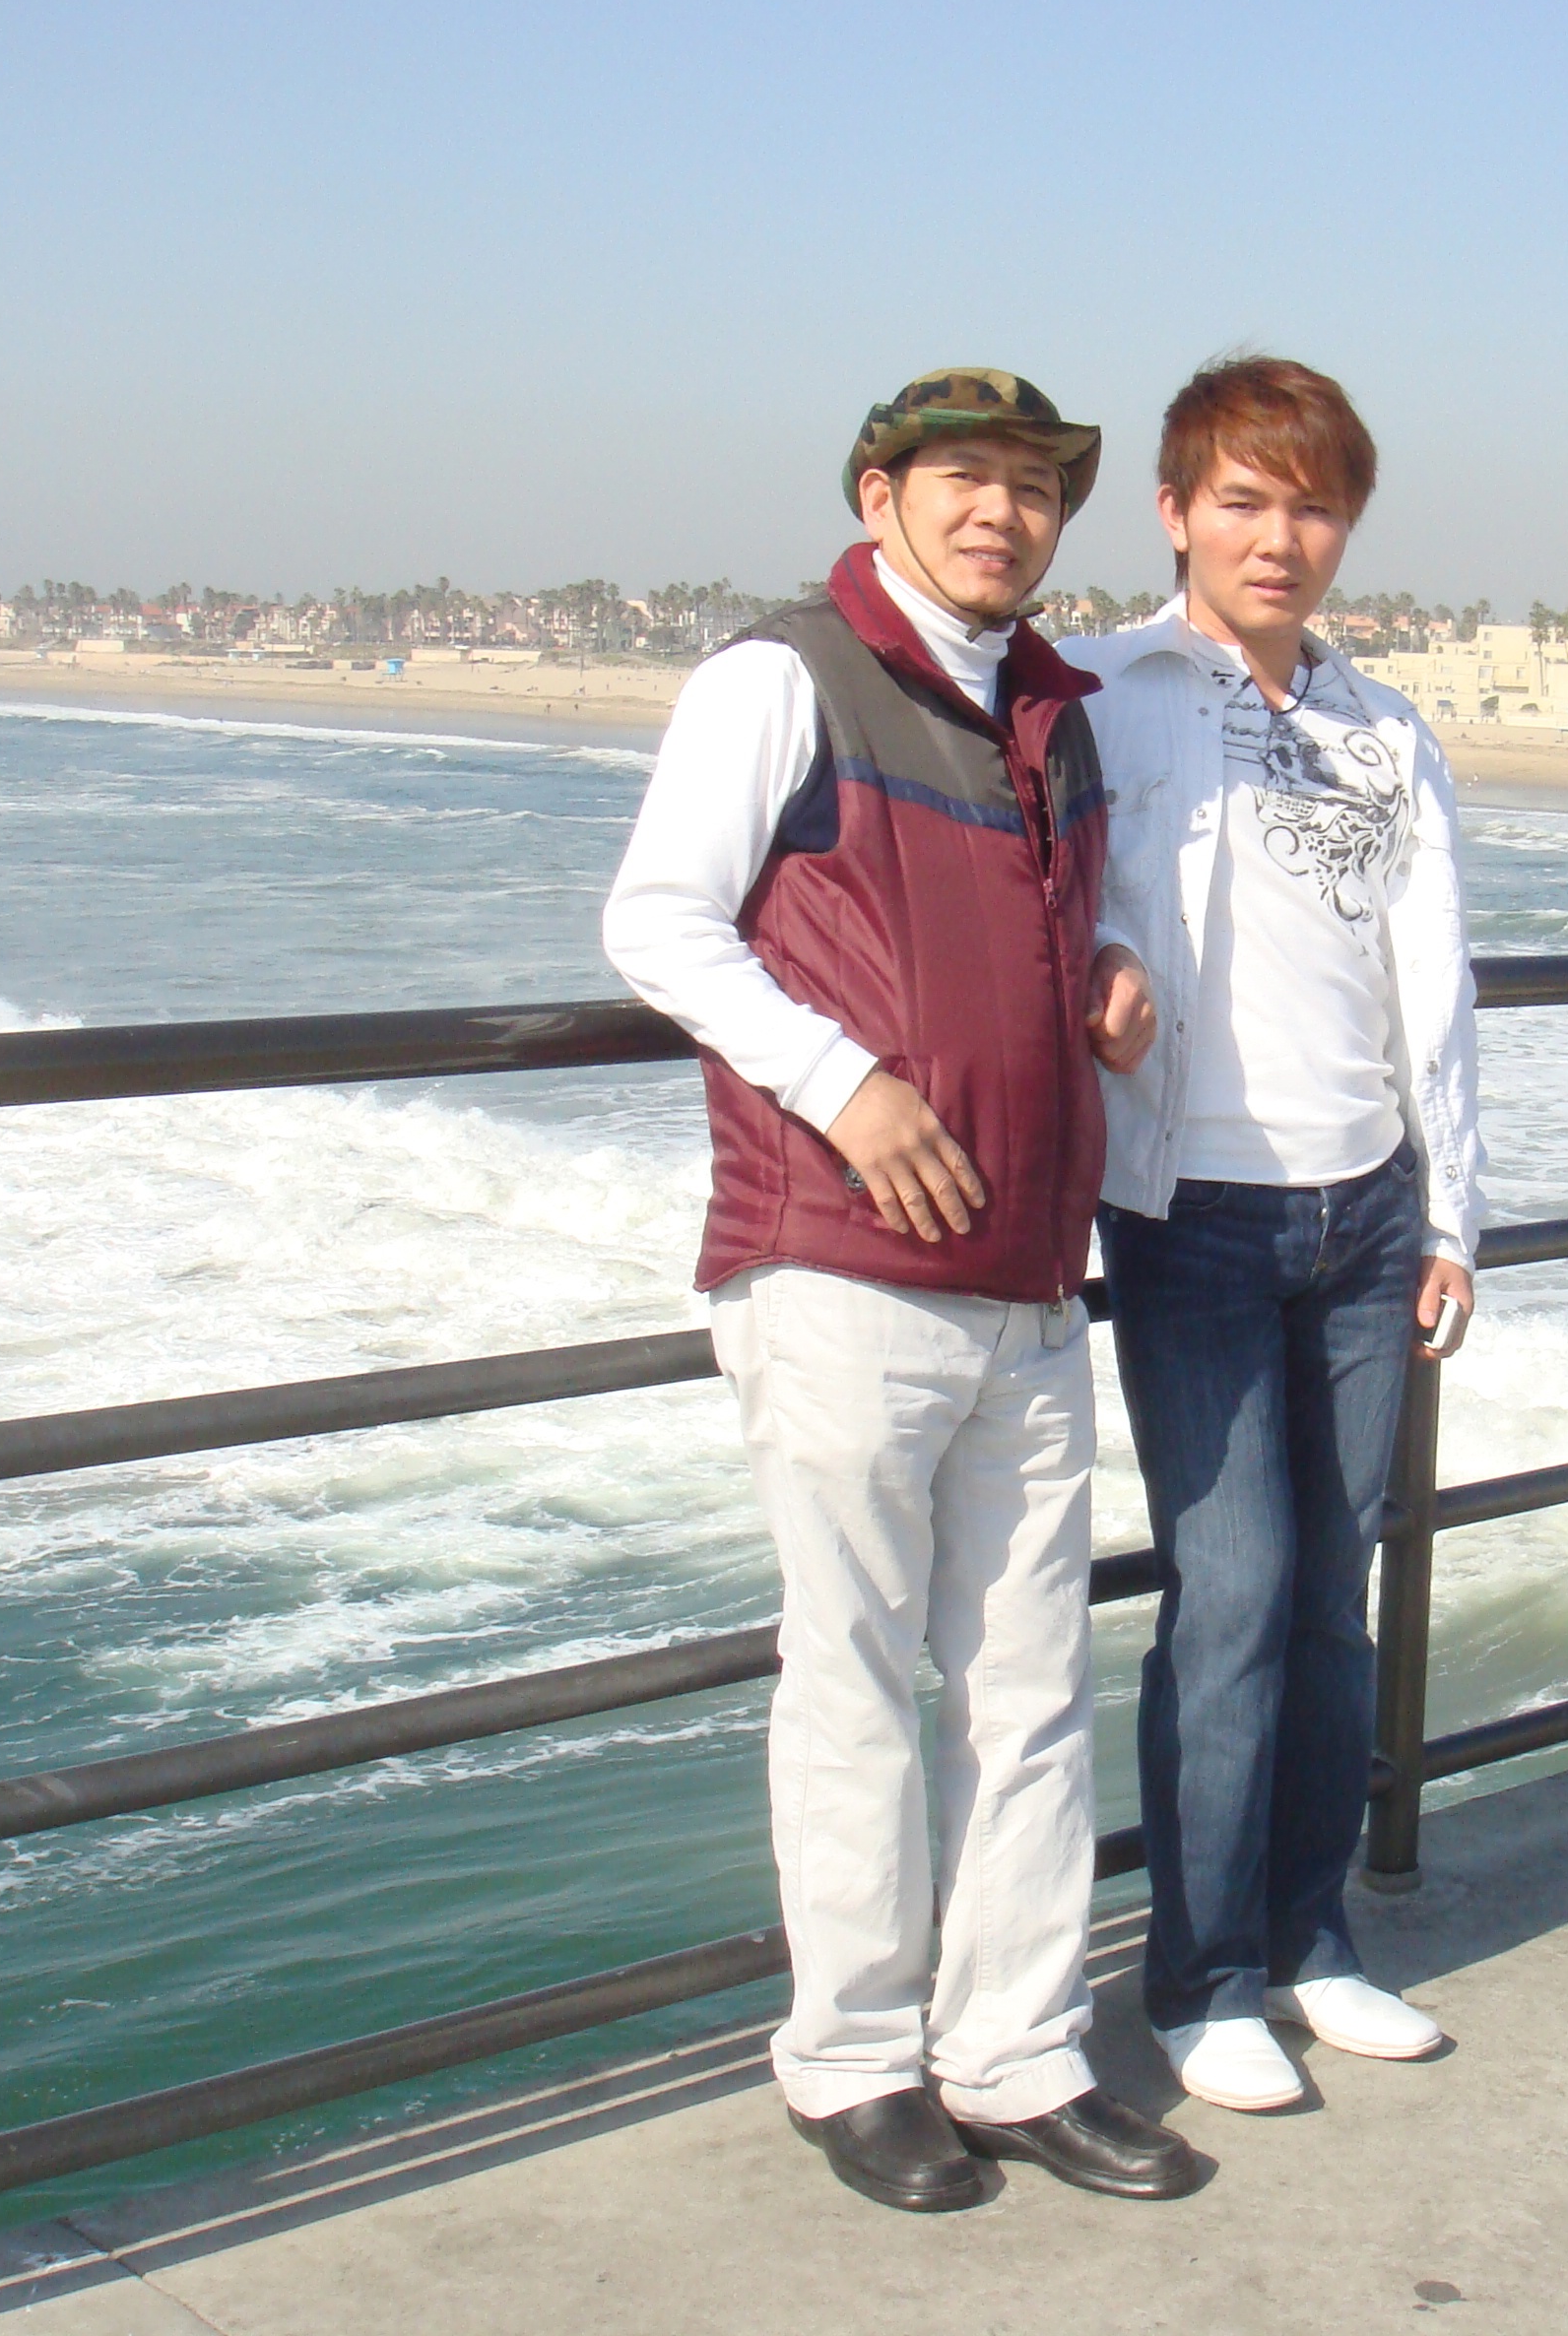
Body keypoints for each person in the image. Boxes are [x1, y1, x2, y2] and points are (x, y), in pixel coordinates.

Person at [600, 368, 1197, 2212]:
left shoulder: (1049, 712)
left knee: (1027, 1684)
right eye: (963, 478)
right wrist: (845, 1085)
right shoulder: (783, 675)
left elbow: (1026, 922)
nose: (1000, 511)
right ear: (880, 495)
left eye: (1032, 486)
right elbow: (653, 918)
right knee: (856, 1675)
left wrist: (1097, 966)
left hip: (1026, 1272)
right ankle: (852, 2059)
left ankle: (1014, 2048)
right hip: (843, 1260)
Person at [1062, 356, 1485, 2115]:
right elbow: (1025, 889)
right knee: (1225, 1593)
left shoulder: (1381, 729)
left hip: (1369, 1214)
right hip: (1194, 1217)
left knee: (1332, 1600)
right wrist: (1082, 966)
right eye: (1241, 497)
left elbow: (1431, 982)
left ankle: (1313, 1943)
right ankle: (1199, 1972)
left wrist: (1453, 1205)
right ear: (1173, 514)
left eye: (1308, 503)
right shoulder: (1090, 694)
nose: (1276, 533)